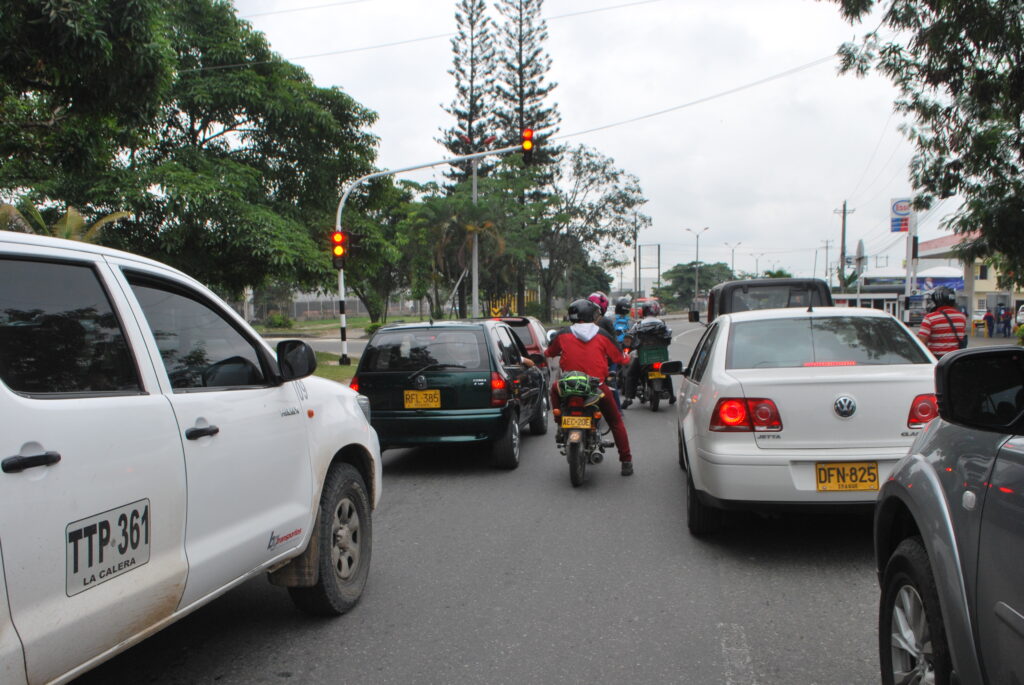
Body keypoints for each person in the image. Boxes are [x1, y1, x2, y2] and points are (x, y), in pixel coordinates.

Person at [545, 299, 635, 475]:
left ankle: (560, 422)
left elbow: (548, 353)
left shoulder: (563, 334)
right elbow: (620, 359)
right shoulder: (602, 335)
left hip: (569, 387)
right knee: (616, 422)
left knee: (554, 389)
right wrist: (627, 356)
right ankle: (626, 461)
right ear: (590, 315)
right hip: (597, 388)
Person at [621, 300, 675, 408]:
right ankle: (672, 396)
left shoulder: (638, 324)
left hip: (642, 356)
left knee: (631, 374)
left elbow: (629, 337)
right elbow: (668, 338)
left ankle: (628, 399)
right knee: (666, 372)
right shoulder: (662, 323)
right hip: (661, 355)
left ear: (644, 311)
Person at [917, 287, 968, 358]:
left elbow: (921, 342)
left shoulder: (930, 318)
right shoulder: (962, 317)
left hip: (936, 358)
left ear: (937, 301)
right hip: (954, 358)